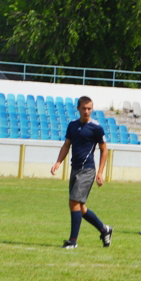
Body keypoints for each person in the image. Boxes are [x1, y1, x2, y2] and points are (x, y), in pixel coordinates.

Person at [50, 96, 112, 249]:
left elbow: (104, 150)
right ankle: (104, 230)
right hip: (75, 169)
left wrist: (100, 172)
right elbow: (66, 145)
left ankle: (73, 241)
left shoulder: (96, 127)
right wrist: (58, 161)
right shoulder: (72, 126)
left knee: (73, 202)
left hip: (87, 170)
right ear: (78, 108)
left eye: (89, 108)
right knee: (80, 207)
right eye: (84, 108)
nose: (86, 111)